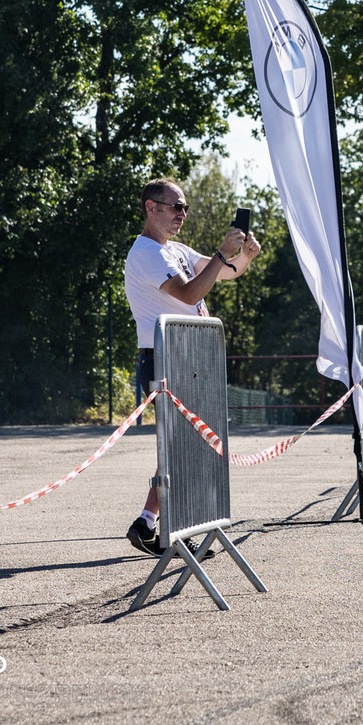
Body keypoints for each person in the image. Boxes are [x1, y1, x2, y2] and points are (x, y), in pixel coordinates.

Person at [122, 178, 260, 555]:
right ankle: (161, 525)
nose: (182, 213)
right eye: (175, 206)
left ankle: (152, 523)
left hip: (186, 355)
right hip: (165, 357)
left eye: (184, 207)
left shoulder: (175, 250)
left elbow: (225, 273)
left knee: (184, 445)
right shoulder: (148, 253)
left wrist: (243, 255)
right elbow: (189, 293)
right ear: (151, 207)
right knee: (183, 446)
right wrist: (220, 254)